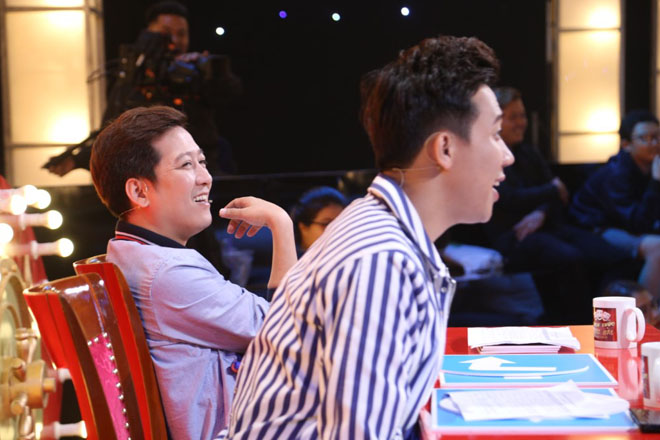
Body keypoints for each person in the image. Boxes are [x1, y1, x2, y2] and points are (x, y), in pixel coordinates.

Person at [225, 35, 513, 439]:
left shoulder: (378, 228)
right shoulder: (381, 259)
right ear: (445, 148)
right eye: (495, 134)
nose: (507, 155)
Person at [89, 105, 297, 439]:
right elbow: (290, 329)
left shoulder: (130, 254)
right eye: (186, 165)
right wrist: (281, 224)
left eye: (202, 161)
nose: (205, 177)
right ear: (139, 191)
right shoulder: (166, 273)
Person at [484, 86, 628, 323]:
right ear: (496, 122)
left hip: (549, 225)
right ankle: (580, 324)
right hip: (515, 235)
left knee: (612, 255)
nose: (521, 123)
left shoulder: (529, 152)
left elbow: (560, 195)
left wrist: (541, 212)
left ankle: (609, 320)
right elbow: (507, 198)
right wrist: (548, 192)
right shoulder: (489, 154)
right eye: (513, 117)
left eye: (522, 116)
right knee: (570, 258)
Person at [46, 0, 241, 176]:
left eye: (181, 34)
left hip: (201, 173)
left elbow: (229, 92)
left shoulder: (196, 73)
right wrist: (77, 160)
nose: (174, 40)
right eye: (165, 33)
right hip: (148, 178)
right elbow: (111, 131)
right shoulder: (134, 78)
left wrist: (210, 71)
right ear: (148, 35)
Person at [570, 109, 660, 300]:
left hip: (629, 225)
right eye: (645, 138)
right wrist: (655, 182)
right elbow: (636, 222)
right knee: (656, 247)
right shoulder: (616, 173)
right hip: (598, 228)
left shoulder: (652, 166)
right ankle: (647, 312)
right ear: (626, 144)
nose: (654, 143)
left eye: (657, 137)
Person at [290, 186, 348, 252]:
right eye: (326, 224)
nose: (336, 231)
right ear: (303, 227)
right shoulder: (289, 257)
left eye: (340, 224)